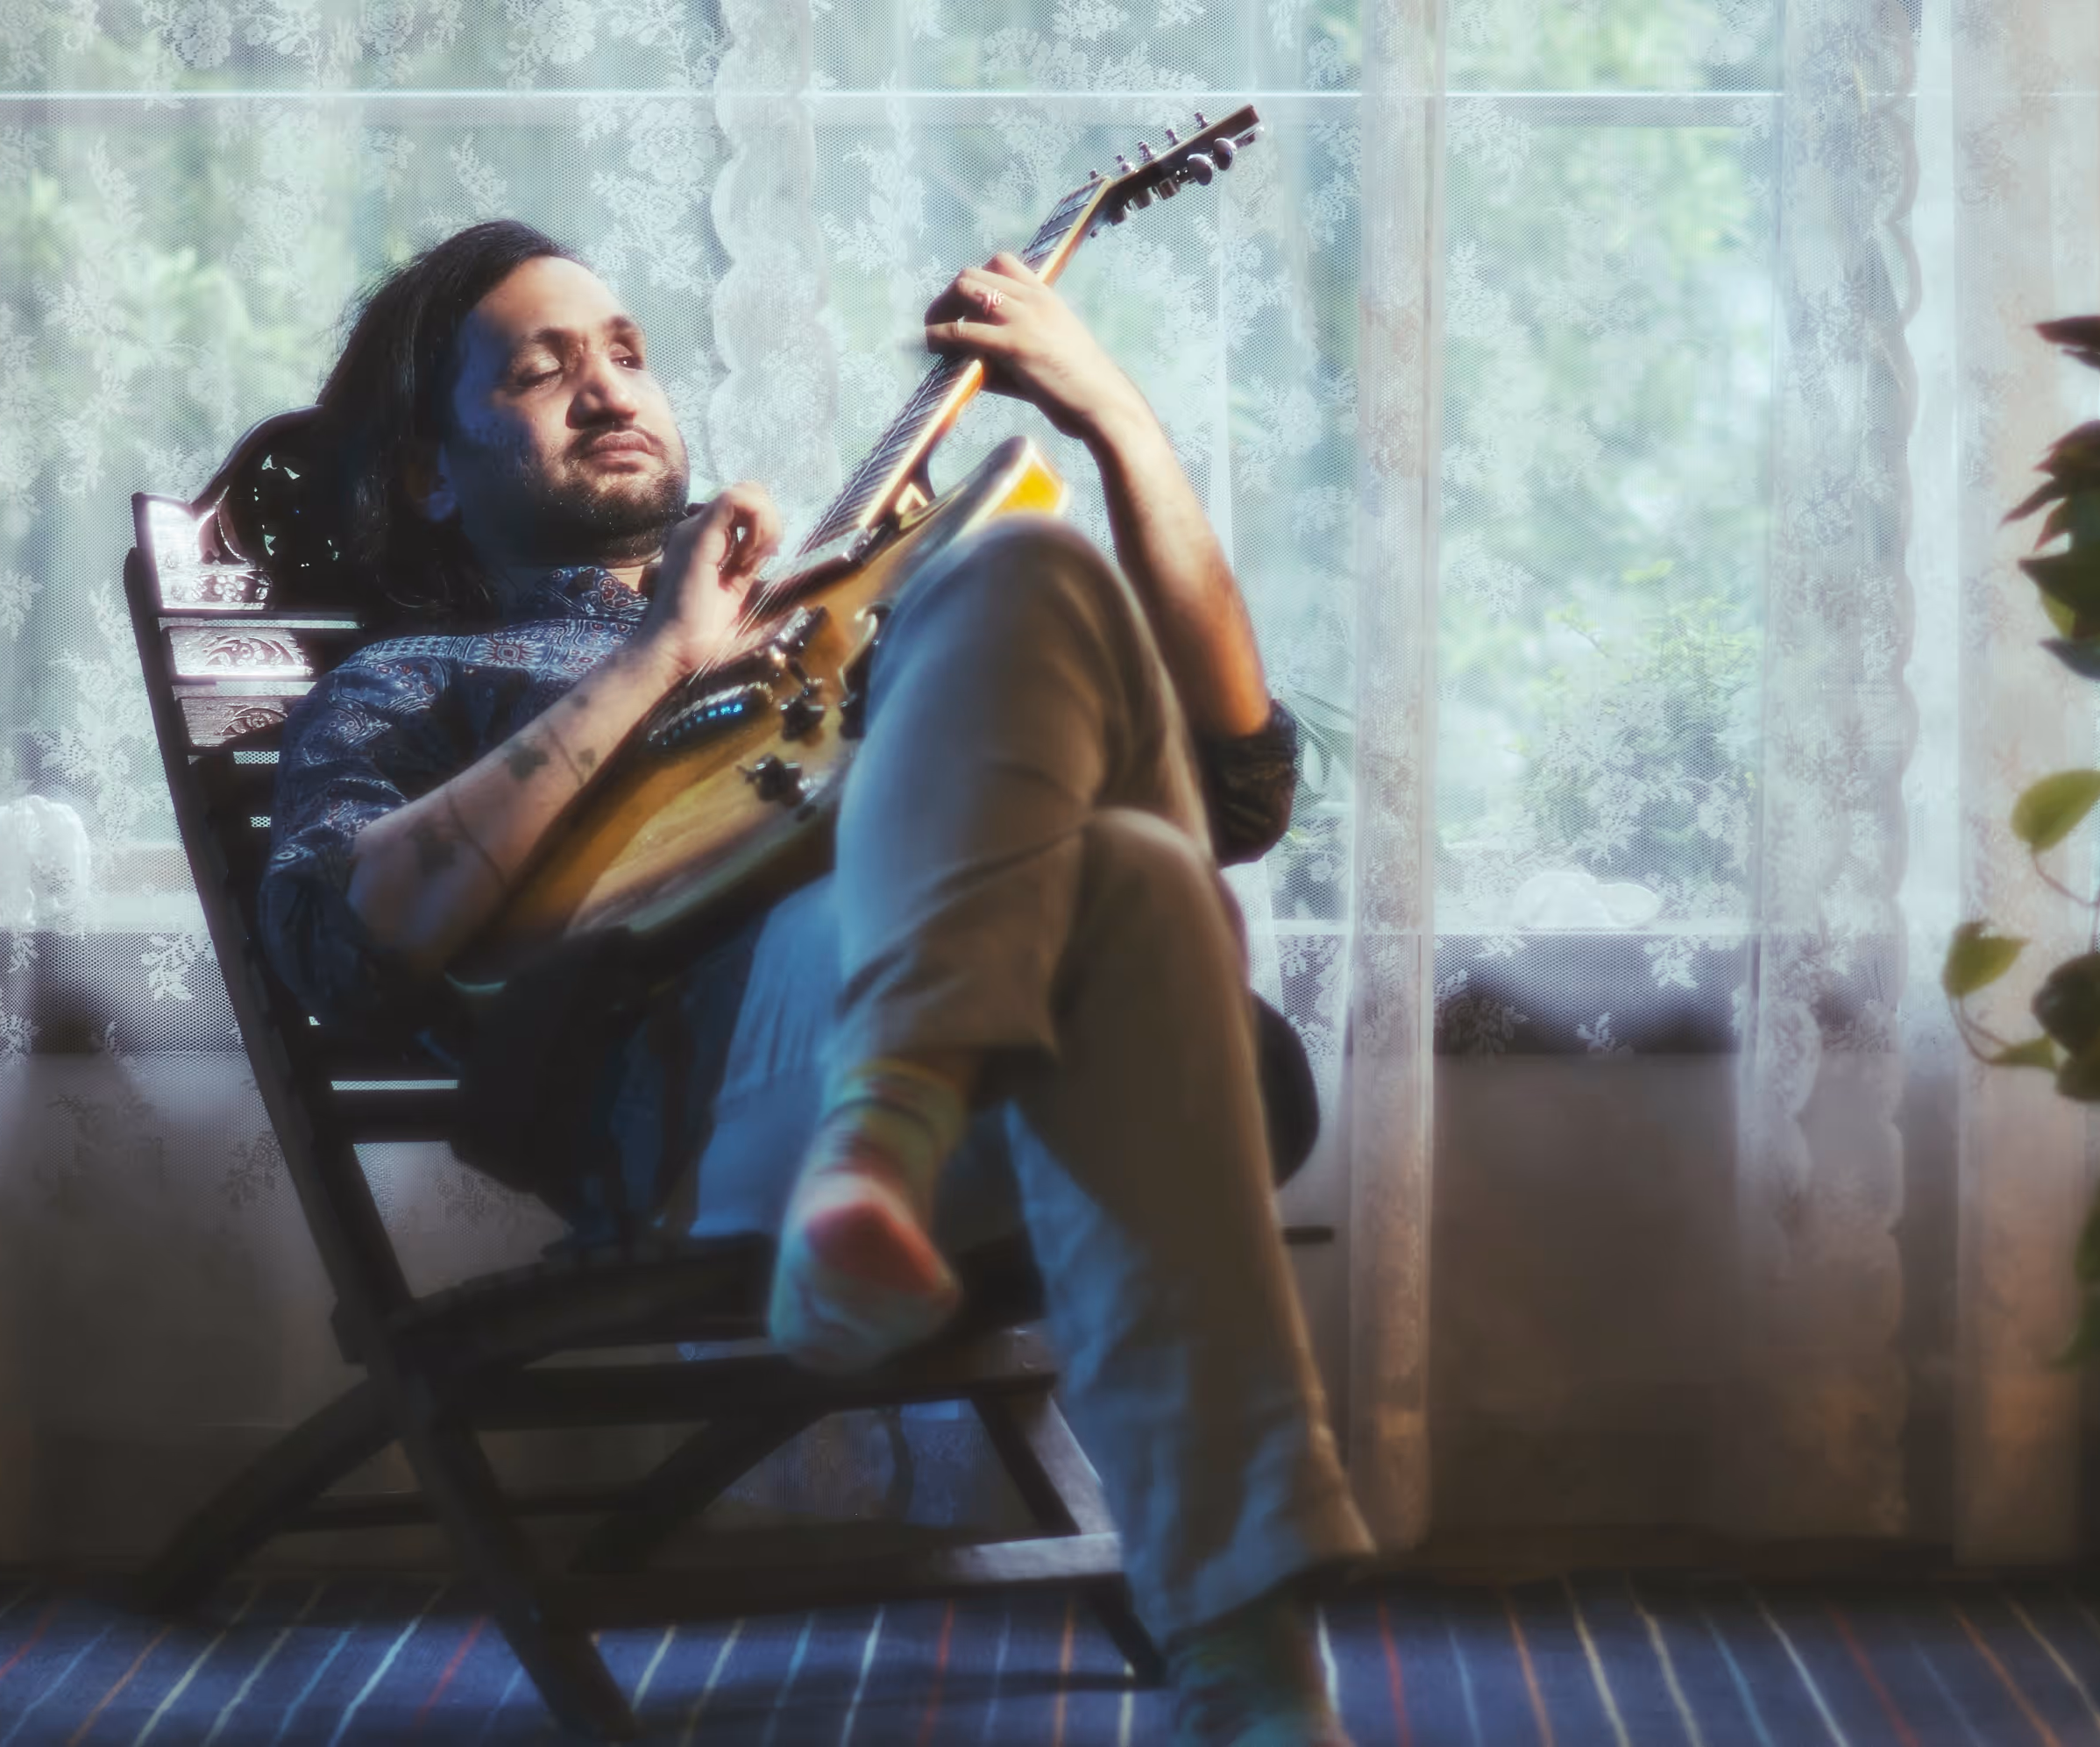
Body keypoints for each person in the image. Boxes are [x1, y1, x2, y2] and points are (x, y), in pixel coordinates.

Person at [253, 219, 1373, 1747]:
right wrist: (654, 661)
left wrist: (1106, 412)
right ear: (428, 477)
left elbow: (1234, 792)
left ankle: (900, 1128)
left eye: (626, 352)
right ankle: (1242, 1649)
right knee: (1118, 891)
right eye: (539, 368)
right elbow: (339, 952)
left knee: (1041, 598)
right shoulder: (414, 684)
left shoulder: (828, 614)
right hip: (710, 1116)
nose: (607, 390)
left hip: (991, 1079)